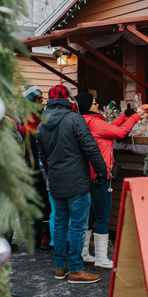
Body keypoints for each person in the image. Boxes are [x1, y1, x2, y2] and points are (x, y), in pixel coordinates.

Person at [36, 84, 108, 284]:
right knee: (77, 225)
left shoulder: (42, 124)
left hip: (56, 181)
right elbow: (90, 147)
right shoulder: (75, 119)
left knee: (59, 223)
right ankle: (76, 269)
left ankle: (61, 267)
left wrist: (52, 175)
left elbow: (42, 156)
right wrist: (102, 171)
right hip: (77, 181)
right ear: (67, 99)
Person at [74, 93, 140, 269]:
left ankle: (85, 253)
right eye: (95, 103)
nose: (97, 105)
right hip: (101, 176)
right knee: (103, 217)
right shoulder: (94, 122)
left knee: (89, 217)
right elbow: (119, 133)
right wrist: (136, 115)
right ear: (88, 106)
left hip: (87, 175)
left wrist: (124, 116)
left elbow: (108, 128)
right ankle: (101, 258)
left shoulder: (85, 121)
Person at [20, 84, 51, 250]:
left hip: (31, 168)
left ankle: (37, 237)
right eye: (39, 99)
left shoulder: (25, 125)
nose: (42, 101)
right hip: (40, 168)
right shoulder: (41, 122)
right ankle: (43, 236)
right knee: (44, 202)